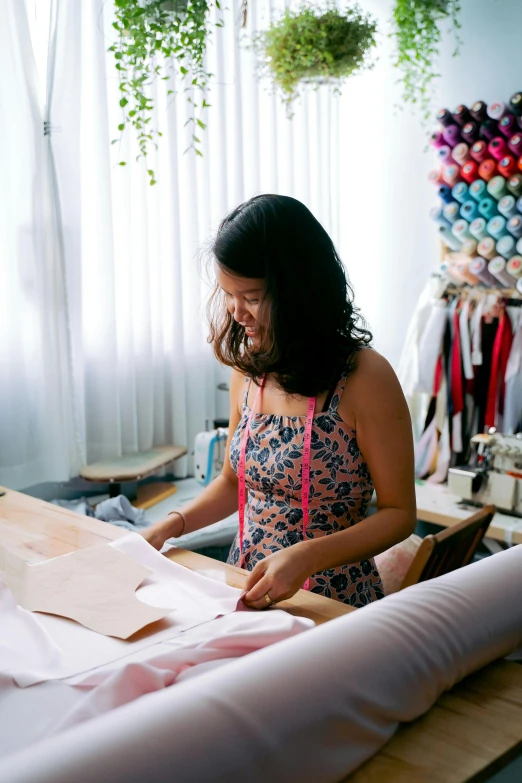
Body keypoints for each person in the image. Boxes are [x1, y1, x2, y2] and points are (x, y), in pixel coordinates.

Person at [143, 195, 416, 609]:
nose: (236, 312)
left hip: (332, 600)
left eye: (251, 297)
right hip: (244, 587)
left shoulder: (365, 377)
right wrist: (170, 526)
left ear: (299, 292)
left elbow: (399, 514)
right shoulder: (249, 371)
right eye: (228, 294)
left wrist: (309, 555)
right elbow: (231, 482)